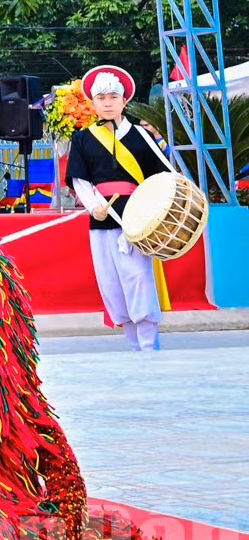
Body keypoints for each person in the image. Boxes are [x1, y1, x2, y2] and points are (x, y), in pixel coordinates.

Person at [64, 64, 173, 351]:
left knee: (137, 278)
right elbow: (80, 178)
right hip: (101, 218)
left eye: (113, 96)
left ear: (124, 100)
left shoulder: (142, 136)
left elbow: (162, 178)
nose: (108, 103)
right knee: (112, 282)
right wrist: (93, 206)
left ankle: (149, 345)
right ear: (93, 103)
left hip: (137, 219)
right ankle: (132, 346)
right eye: (101, 98)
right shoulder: (83, 138)